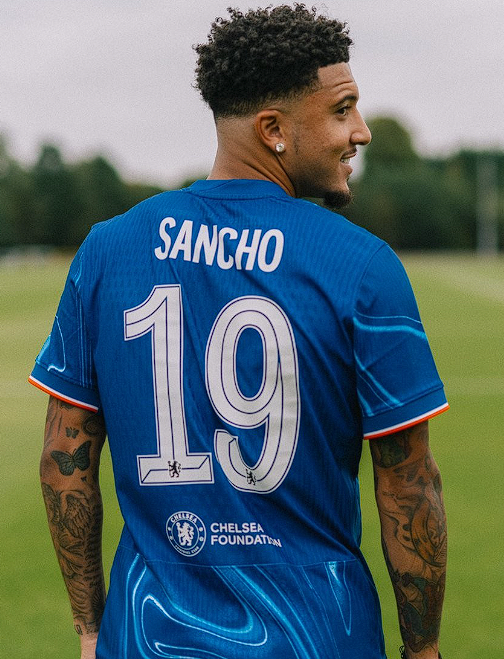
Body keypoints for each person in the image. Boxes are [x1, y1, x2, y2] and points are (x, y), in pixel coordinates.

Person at [30, 5, 448, 658]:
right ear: (273, 129)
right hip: (318, 637)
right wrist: (422, 649)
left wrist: (90, 629)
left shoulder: (108, 250)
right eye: (341, 110)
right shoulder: (361, 265)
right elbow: (408, 482)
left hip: (146, 636)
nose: (360, 131)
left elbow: (65, 459)